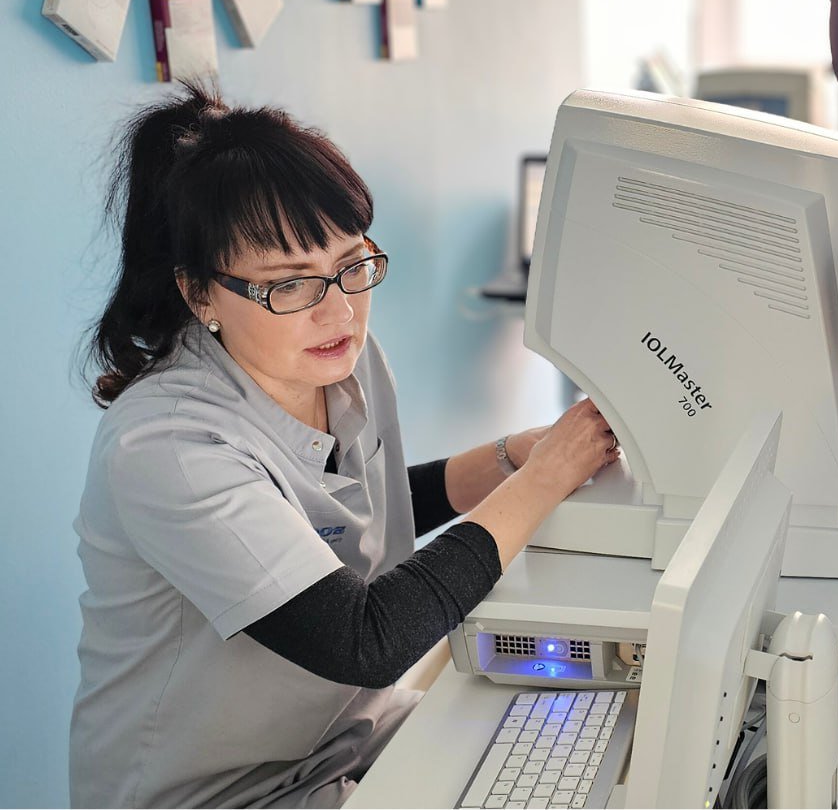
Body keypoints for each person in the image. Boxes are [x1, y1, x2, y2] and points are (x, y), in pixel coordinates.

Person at [69, 82, 620, 809]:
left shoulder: (339, 361)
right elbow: (366, 640)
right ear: (200, 295)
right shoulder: (166, 446)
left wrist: (507, 458)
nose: (338, 311)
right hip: (217, 793)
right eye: (289, 285)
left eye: (351, 266)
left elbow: (344, 509)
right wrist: (541, 481)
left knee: (580, 749)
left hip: (343, 738)